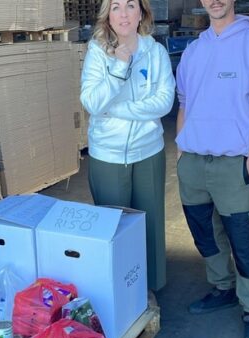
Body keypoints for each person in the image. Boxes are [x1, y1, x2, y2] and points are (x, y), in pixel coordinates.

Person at [174, 0, 249, 338]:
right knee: (205, 233)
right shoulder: (194, 51)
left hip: (234, 163)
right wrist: (180, 152)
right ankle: (222, 287)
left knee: (243, 238)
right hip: (193, 161)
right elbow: (184, 103)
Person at [80, 0, 175, 292]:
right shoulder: (98, 52)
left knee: (150, 224)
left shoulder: (155, 52)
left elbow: (164, 102)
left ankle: (153, 286)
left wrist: (115, 108)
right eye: (116, 6)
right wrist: (120, 68)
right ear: (107, 14)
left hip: (148, 150)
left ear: (142, 13)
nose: (123, 14)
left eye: (131, 6)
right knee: (114, 228)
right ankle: (119, 291)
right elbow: (92, 102)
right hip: (108, 154)